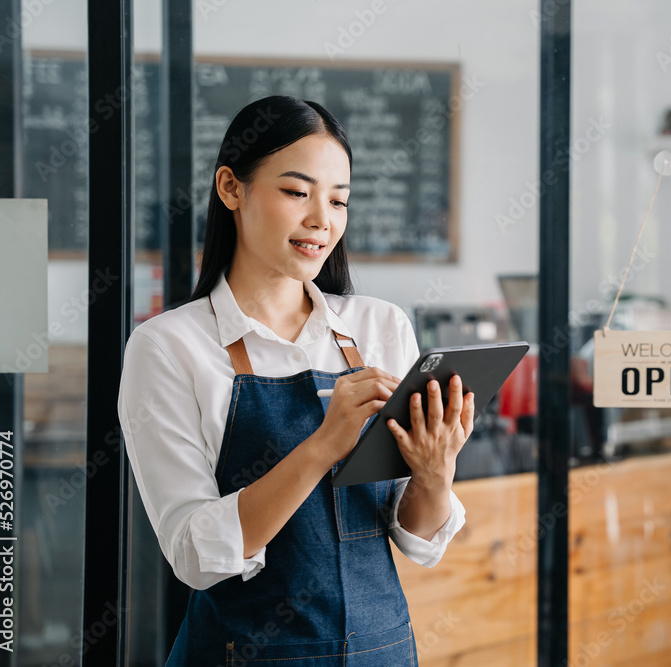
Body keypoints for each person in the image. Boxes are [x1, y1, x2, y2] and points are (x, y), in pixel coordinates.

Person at [117, 95, 473, 666]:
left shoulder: (380, 327)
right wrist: (321, 447)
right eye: (296, 192)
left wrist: (435, 474)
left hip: (383, 650)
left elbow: (415, 540)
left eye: (339, 200)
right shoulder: (169, 347)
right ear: (231, 188)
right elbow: (194, 555)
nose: (321, 220)